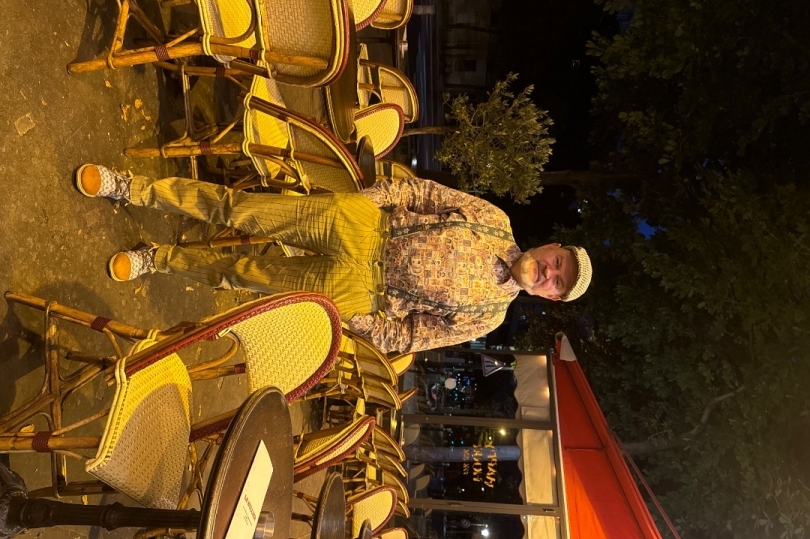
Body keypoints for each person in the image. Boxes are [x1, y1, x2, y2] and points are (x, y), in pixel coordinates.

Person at [75, 164, 592, 353]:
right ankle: (132, 188)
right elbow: (424, 193)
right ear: (551, 246)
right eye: (557, 262)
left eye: (556, 282)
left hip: (359, 292)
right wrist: (366, 202)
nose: (549, 272)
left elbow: (408, 336)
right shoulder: (495, 220)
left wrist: (356, 315)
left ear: (549, 297)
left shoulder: (488, 316)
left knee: (245, 275)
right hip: (363, 226)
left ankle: (158, 260)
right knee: (243, 210)